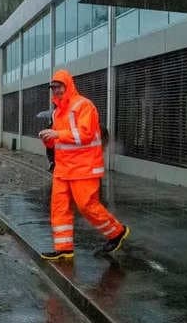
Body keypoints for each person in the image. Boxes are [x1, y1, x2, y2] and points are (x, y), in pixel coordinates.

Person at [38, 69, 129, 260]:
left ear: (68, 85)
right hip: (63, 169)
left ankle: (116, 232)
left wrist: (57, 134)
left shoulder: (84, 105)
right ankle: (64, 248)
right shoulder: (57, 113)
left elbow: (85, 134)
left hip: (84, 169)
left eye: (59, 86)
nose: (56, 90)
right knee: (58, 208)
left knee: (87, 206)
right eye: (53, 87)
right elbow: (58, 141)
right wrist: (47, 139)